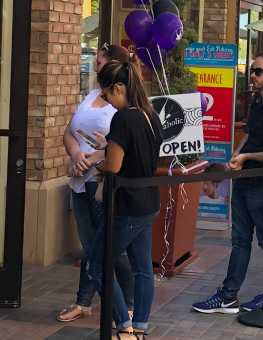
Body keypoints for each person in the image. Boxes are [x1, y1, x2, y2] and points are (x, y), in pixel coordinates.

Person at [193, 52, 263, 314]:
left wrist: (247, 156)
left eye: (258, 71)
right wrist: (237, 156)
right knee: (239, 240)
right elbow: (249, 135)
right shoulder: (258, 103)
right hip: (245, 181)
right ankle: (228, 297)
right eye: (253, 69)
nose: (253, 74)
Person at [57, 44, 138, 323]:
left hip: (102, 181)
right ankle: (83, 301)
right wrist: (76, 154)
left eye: (100, 63)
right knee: (89, 245)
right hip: (79, 180)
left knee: (112, 246)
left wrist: (94, 160)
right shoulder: (92, 94)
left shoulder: (124, 104)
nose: (95, 67)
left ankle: (126, 305)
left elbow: (122, 143)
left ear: (113, 65)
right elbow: (69, 131)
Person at [87, 58, 163, 340]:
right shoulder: (150, 114)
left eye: (106, 93)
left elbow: (114, 165)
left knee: (96, 265)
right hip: (148, 201)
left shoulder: (123, 118)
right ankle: (139, 328)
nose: (105, 100)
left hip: (127, 206)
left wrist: (99, 165)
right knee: (143, 270)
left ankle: (124, 326)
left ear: (118, 87)